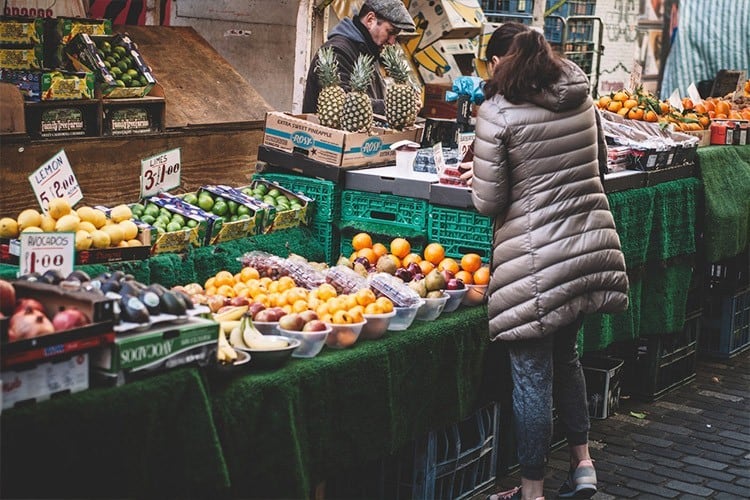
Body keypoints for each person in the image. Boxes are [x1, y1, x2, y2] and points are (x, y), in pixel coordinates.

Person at [469, 24, 630, 500]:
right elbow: (599, 161)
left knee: (532, 378)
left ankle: (532, 491)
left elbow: (487, 199)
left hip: (536, 263)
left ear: (501, 61)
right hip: (586, 249)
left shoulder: (497, 113)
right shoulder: (579, 93)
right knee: (567, 358)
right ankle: (584, 466)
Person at [302, 0, 415, 116]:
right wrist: (393, 106)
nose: (392, 42)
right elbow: (343, 105)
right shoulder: (337, 51)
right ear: (370, 20)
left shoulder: (369, 51)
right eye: (390, 32)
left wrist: (403, 103)